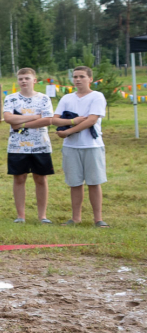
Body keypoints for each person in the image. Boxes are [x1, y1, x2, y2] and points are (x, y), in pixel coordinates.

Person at [55, 66, 107, 226]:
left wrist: (68, 131)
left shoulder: (97, 96)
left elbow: (91, 120)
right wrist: (72, 121)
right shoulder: (66, 98)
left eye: (82, 76)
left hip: (92, 145)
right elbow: (55, 119)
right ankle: (76, 218)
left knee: (94, 182)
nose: (78, 79)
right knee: (75, 183)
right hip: (71, 147)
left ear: (90, 79)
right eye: (75, 76)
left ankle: (98, 219)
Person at [3, 68, 55, 224]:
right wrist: (35, 117)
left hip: (41, 145)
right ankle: (21, 216)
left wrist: (21, 123)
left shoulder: (44, 99)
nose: (23, 81)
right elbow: (8, 118)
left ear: (34, 80)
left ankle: (42, 216)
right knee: (19, 178)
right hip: (17, 146)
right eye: (21, 79)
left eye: (27, 78)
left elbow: (47, 120)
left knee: (40, 178)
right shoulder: (11, 98)